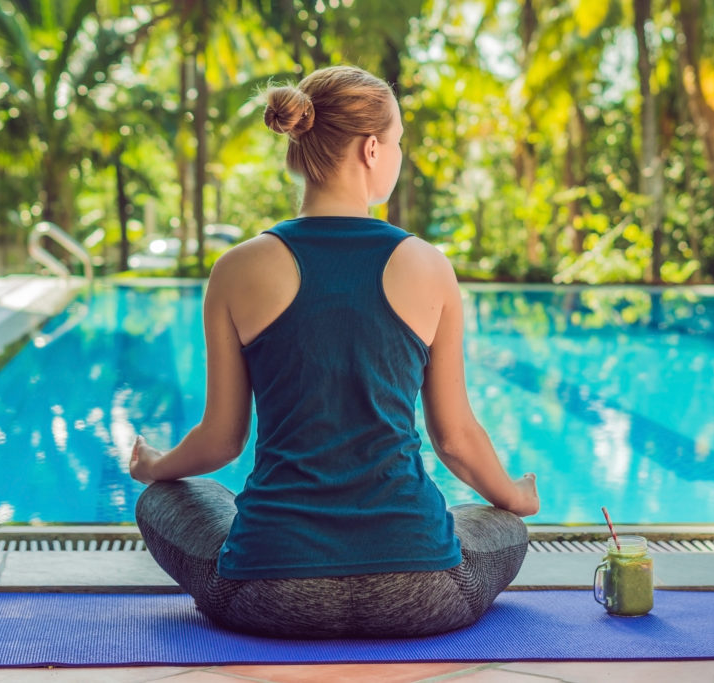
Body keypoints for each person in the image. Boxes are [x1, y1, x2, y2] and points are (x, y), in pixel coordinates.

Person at [129, 65, 539, 639]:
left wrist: (155, 467)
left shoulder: (236, 269)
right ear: (371, 149)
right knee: (504, 525)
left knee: (162, 500)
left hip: (265, 593)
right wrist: (515, 495)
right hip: (424, 590)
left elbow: (222, 441)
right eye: (398, 142)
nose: (397, 155)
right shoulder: (428, 266)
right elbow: (455, 439)